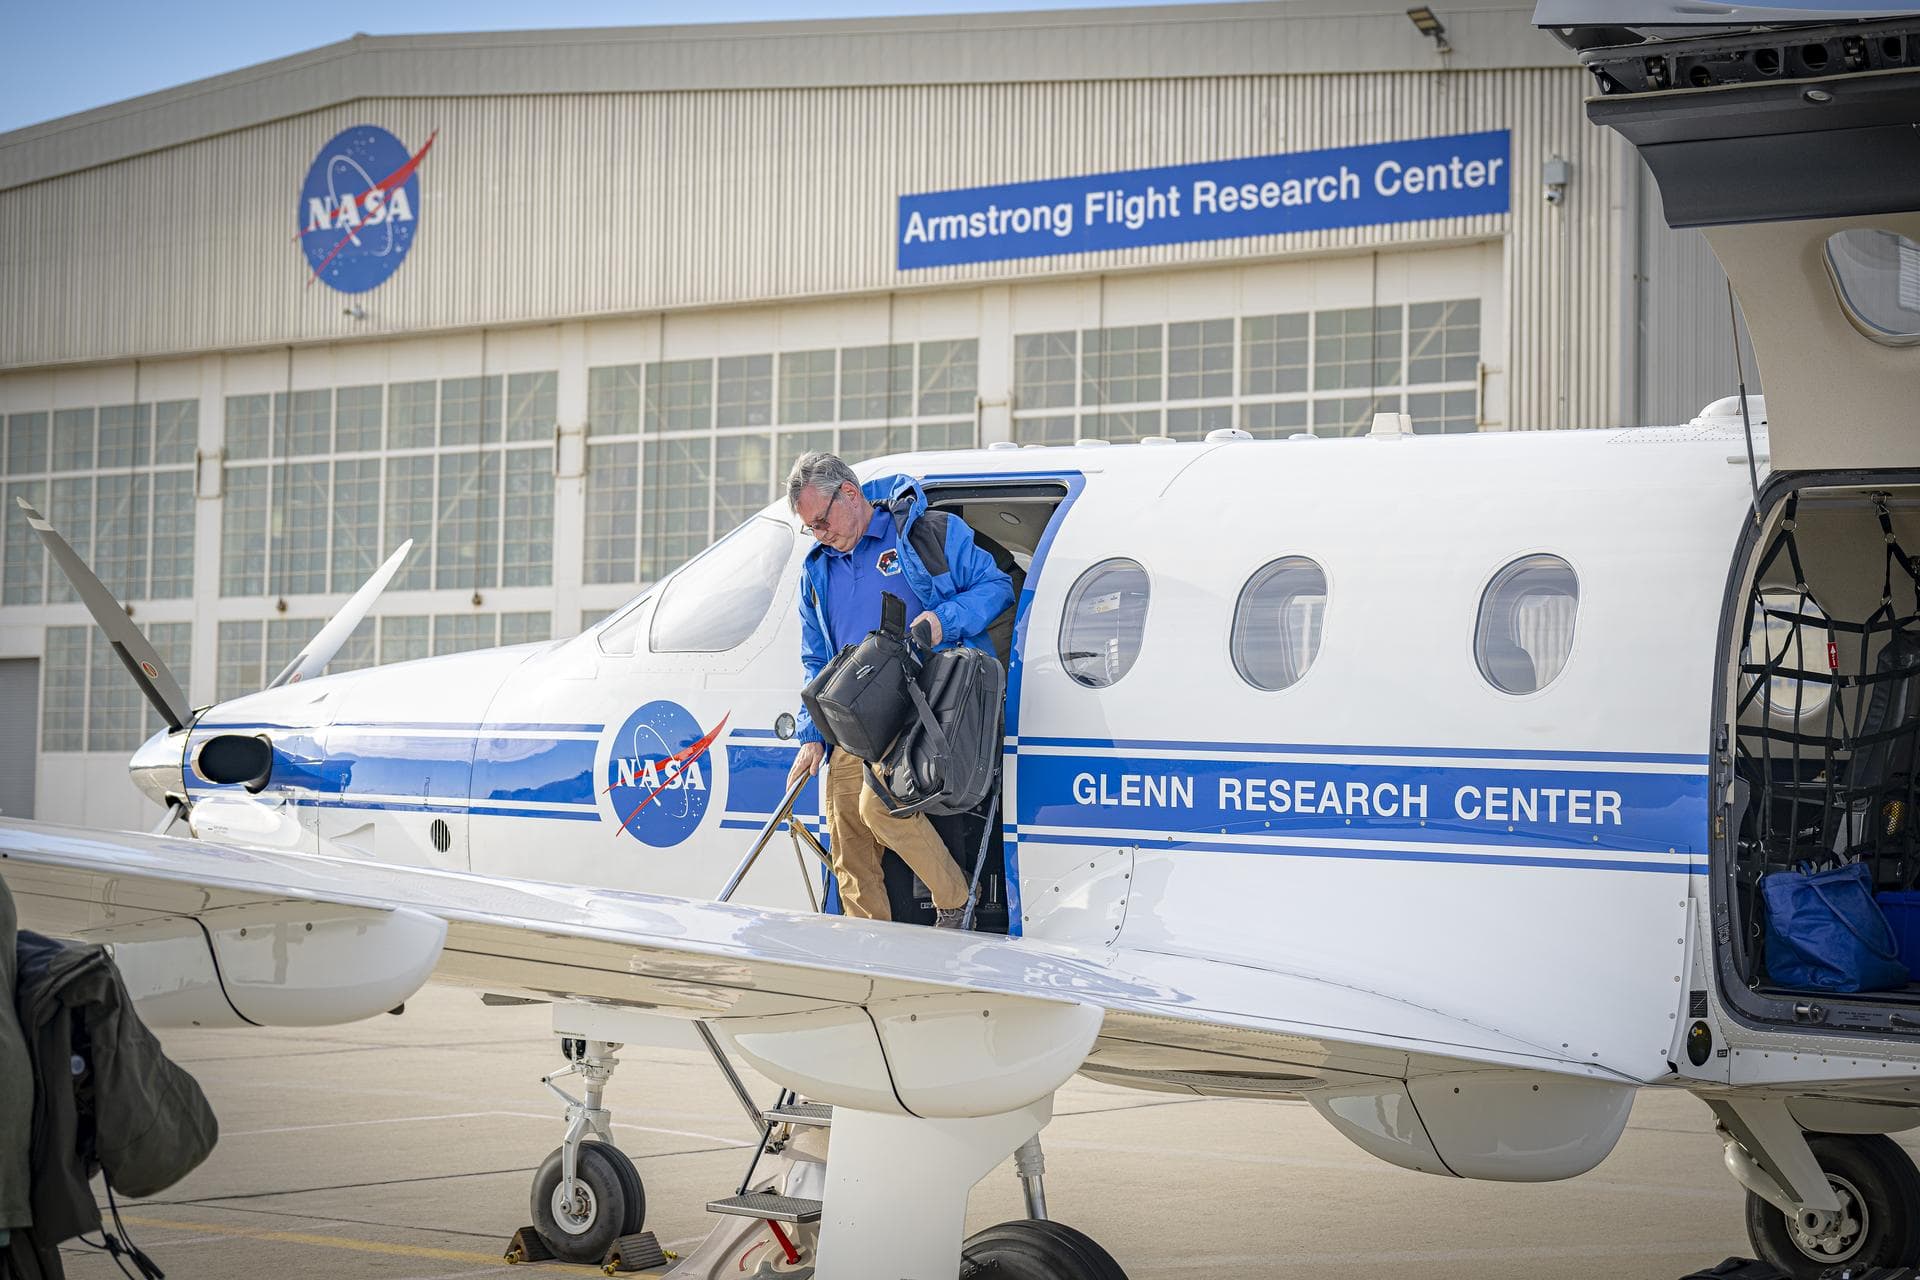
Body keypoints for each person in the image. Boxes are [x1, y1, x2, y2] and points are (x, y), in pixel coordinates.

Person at [784, 452, 1013, 928]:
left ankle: (955, 902)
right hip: (855, 714)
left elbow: (996, 588)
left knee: (879, 808)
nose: (820, 533)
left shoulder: (927, 534)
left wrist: (941, 622)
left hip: (924, 706)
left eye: (822, 520)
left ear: (850, 493)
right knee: (846, 830)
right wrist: (812, 733)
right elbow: (815, 658)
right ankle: (868, 940)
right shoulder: (817, 570)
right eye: (811, 528)